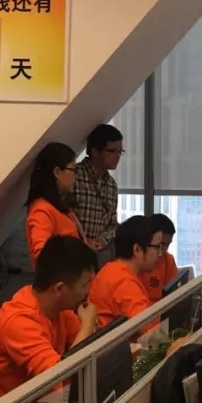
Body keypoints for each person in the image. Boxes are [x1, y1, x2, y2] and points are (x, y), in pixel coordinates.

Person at [0, 236, 99, 403]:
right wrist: (87, 326)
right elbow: (61, 378)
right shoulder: (19, 321)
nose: (87, 292)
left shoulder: (60, 309)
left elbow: (88, 353)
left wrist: (88, 329)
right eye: (84, 285)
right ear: (60, 288)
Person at [89, 216, 164, 330]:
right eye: (157, 247)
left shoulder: (111, 269)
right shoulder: (124, 282)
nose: (160, 254)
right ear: (137, 249)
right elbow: (150, 331)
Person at [25, 142, 94, 263]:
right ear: (57, 172)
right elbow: (41, 255)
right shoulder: (42, 210)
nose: (75, 176)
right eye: (73, 170)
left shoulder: (60, 206)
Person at [72, 124, 123, 256]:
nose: (117, 156)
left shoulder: (111, 185)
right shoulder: (73, 176)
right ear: (95, 151)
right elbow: (62, 218)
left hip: (98, 255)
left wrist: (103, 239)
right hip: (71, 253)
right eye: (112, 151)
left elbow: (113, 224)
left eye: (120, 152)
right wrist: (83, 240)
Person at [144, 214, 180, 304]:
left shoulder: (168, 260)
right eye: (162, 244)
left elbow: (174, 294)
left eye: (167, 245)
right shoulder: (135, 262)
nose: (163, 251)